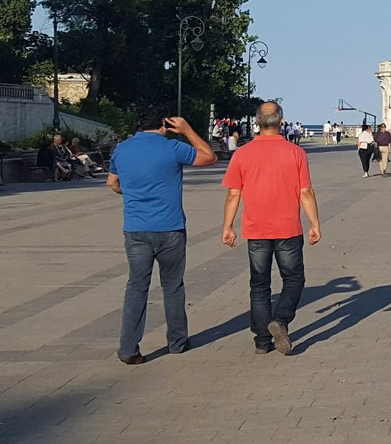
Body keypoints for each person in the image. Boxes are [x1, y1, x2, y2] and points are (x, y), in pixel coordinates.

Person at [107, 111, 217, 365]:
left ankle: (128, 349)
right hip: (170, 227)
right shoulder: (172, 148)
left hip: (136, 228)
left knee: (136, 287)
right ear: (164, 124)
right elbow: (209, 157)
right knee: (172, 286)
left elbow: (112, 182)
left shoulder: (122, 149)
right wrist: (188, 130)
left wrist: (131, 193)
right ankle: (177, 342)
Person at [221, 102, 322, 356]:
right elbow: (305, 191)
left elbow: (233, 194)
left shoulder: (242, 154)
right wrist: (314, 223)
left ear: (257, 122)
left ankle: (262, 341)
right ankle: (281, 319)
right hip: (288, 228)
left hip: (256, 229)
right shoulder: (295, 152)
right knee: (294, 278)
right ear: (281, 121)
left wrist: (228, 226)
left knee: (259, 285)